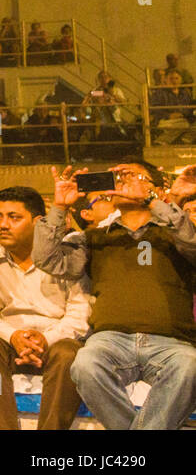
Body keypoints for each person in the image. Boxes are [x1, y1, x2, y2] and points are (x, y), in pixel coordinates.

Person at [35, 160, 196, 429]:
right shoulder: (93, 237)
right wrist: (60, 207)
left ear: (156, 189)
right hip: (110, 340)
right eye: (118, 178)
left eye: (134, 176)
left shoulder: (177, 232)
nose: (123, 182)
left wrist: (153, 200)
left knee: (191, 367)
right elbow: (48, 260)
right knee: (85, 364)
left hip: (172, 342)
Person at [0, 186, 89, 430]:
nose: (2, 225)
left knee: (70, 353)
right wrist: (14, 336)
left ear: (38, 223)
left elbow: (79, 315)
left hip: (55, 342)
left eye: (14, 217)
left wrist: (44, 340)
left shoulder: (67, 259)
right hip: (9, 342)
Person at [150, 68, 194, 145]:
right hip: (166, 120)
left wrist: (182, 114)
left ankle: (185, 139)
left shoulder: (185, 94)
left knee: (186, 123)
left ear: (180, 80)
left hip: (183, 118)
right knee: (184, 124)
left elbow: (189, 108)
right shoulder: (160, 93)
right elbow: (154, 109)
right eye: (171, 78)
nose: (174, 81)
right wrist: (169, 115)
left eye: (176, 78)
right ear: (166, 80)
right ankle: (163, 141)